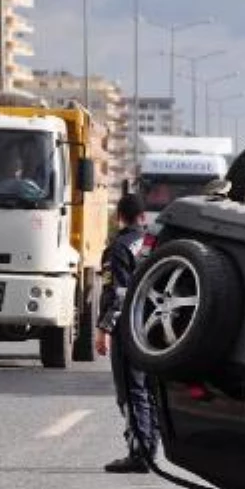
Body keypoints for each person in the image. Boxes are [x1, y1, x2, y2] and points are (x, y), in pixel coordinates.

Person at [97, 194, 159, 473]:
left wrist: (104, 329)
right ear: (143, 217)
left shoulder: (118, 248)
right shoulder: (154, 244)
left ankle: (139, 453)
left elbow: (118, 294)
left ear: (118, 216)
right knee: (148, 390)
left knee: (131, 392)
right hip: (155, 330)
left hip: (129, 329)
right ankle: (149, 447)